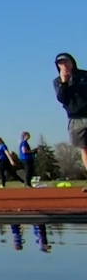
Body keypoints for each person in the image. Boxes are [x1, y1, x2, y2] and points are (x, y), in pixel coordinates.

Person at [53, 53, 87, 189]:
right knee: (84, 149)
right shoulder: (57, 81)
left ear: (72, 62)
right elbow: (62, 99)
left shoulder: (84, 76)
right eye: (60, 63)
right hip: (75, 118)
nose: (64, 65)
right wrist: (65, 82)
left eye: (66, 62)